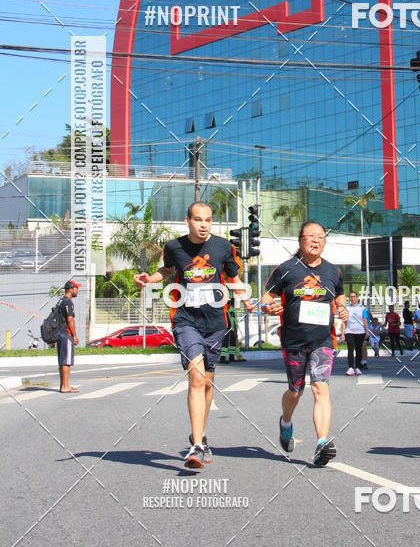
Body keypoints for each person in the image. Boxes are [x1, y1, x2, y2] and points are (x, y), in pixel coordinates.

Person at [134, 201, 254, 470]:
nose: (204, 225)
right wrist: (149, 279)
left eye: (208, 220)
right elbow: (167, 270)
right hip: (185, 319)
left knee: (208, 382)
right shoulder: (174, 247)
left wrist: (245, 298)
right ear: (187, 220)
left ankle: (199, 432)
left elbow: (233, 278)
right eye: (198, 219)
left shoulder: (224, 247)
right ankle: (197, 446)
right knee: (197, 378)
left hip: (216, 322)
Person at [261, 221, 348, 466]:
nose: (316, 240)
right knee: (296, 391)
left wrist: (342, 308)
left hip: (323, 340)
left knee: (321, 387)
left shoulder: (333, 271)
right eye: (311, 236)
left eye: (321, 236)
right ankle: (286, 422)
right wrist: (268, 307)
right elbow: (266, 297)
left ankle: (322, 443)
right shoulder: (286, 269)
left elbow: (340, 294)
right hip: (294, 340)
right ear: (301, 241)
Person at [56, 280, 80, 392]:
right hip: (66, 334)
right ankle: (65, 386)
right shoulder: (68, 302)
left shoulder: (60, 301)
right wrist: (74, 335)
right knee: (66, 361)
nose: (77, 290)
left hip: (59, 334)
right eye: (76, 288)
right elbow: (70, 319)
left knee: (62, 360)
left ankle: (63, 385)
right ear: (70, 290)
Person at [341, 291, 369, 376]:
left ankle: (357, 367)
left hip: (360, 331)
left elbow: (365, 320)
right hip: (349, 331)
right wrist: (343, 333)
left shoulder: (362, 308)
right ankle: (350, 367)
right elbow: (344, 321)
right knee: (350, 349)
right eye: (351, 297)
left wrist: (367, 331)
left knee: (359, 350)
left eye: (354, 296)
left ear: (357, 298)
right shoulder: (347, 308)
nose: (352, 298)